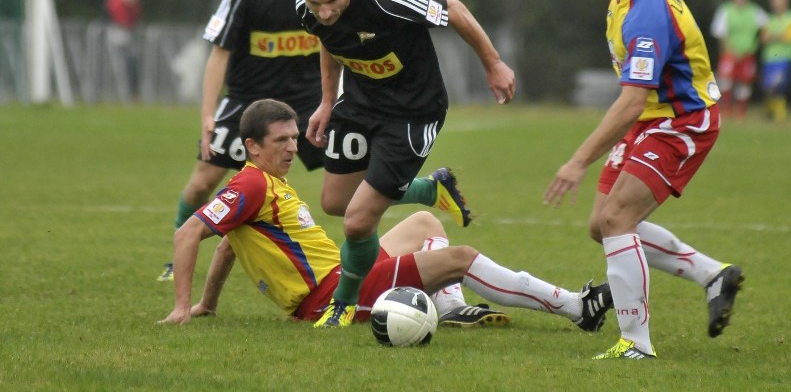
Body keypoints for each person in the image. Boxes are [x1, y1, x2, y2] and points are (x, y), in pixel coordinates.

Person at [158, 99, 612, 333]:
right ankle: (577, 308)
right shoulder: (252, 182)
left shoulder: (266, 183)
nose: (294, 148)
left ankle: (449, 305)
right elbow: (188, 233)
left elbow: (227, 243)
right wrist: (182, 307)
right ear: (253, 146)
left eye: (295, 138)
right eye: (281, 141)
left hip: (343, 274)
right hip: (329, 300)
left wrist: (208, 304)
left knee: (425, 224)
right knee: (462, 256)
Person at [543, 0, 744, 360]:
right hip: (652, 119)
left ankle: (636, 344)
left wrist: (577, 161)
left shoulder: (648, 7)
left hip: (681, 121)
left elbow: (632, 99)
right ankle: (714, 275)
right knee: (602, 225)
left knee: (617, 220)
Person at [295, 0, 516, 327]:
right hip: (360, 105)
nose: (325, 12)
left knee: (358, 222)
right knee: (335, 202)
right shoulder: (306, 7)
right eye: (317, 4)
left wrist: (493, 63)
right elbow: (328, 41)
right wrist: (328, 102)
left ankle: (343, 304)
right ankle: (430, 190)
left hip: (412, 113)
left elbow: (456, 10)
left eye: (332, 1)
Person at [157, 0, 326, 281]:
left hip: (308, 103)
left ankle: (429, 191)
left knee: (351, 186)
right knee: (202, 182)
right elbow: (219, 53)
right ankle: (177, 256)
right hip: (249, 104)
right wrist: (207, 114)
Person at [710, 0, 768, 118]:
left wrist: (759, 41)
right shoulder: (726, 10)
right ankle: (726, 109)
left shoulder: (754, 10)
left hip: (747, 52)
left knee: (744, 81)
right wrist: (729, 50)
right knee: (725, 80)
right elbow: (720, 33)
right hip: (730, 52)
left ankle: (741, 112)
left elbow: (766, 25)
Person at [760, 0, 791, 122]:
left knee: (778, 84)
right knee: (768, 85)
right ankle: (769, 111)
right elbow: (764, 38)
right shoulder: (769, 18)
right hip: (770, 57)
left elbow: (789, 36)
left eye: (779, 1)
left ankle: (780, 114)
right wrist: (778, 35)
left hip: (784, 57)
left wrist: (773, 36)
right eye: (774, 1)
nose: (776, 4)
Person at [103, 0, 142, 102]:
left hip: (126, 37)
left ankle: (130, 93)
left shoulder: (134, 5)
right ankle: (121, 93)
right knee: (117, 65)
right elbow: (122, 22)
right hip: (114, 37)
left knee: (130, 63)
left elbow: (133, 20)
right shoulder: (116, 3)